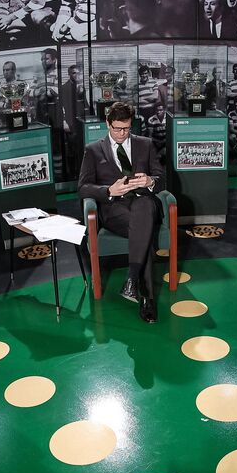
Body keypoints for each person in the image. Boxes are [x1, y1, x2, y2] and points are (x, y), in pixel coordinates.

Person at [77, 102, 164, 323]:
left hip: (144, 203)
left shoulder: (145, 144)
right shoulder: (93, 150)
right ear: (108, 124)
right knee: (143, 232)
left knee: (144, 207)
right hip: (114, 210)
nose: (122, 134)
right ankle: (146, 297)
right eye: (117, 129)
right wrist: (108, 190)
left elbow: (162, 179)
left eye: (126, 128)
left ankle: (132, 279)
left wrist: (150, 181)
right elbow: (83, 187)